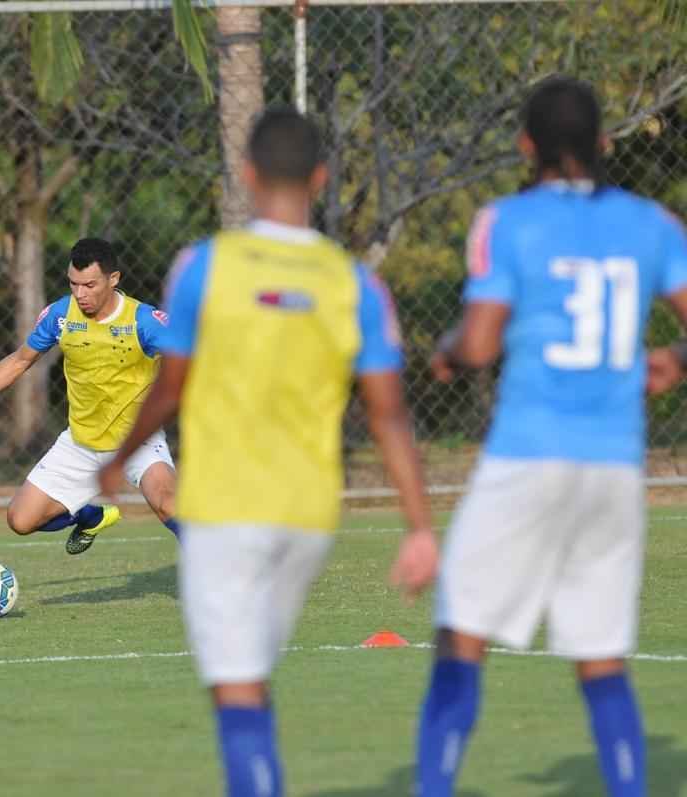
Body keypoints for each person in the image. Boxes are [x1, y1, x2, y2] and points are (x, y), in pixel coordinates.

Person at [99, 107, 438, 797]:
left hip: (225, 506)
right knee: (252, 672)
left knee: (238, 688)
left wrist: (119, 455)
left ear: (248, 175)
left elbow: (171, 385)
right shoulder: (354, 283)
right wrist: (420, 525)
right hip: (307, 515)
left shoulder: (203, 266)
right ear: (320, 176)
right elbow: (389, 414)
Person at [417, 76, 687, 796]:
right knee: (601, 657)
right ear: (604, 143)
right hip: (614, 467)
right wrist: (677, 358)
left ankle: (434, 787)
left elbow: (480, 342)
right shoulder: (654, 224)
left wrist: (447, 348)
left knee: (463, 636)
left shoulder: (505, 221)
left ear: (525, 145)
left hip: (527, 457)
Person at [0, 237, 181, 555]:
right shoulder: (61, 315)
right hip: (81, 442)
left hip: (138, 439)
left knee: (168, 504)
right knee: (20, 519)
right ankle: (91, 516)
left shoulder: (143, 321)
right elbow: (20, 360)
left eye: (90, 285)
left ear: (114, 279)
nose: (80, 294)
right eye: (73, 284)